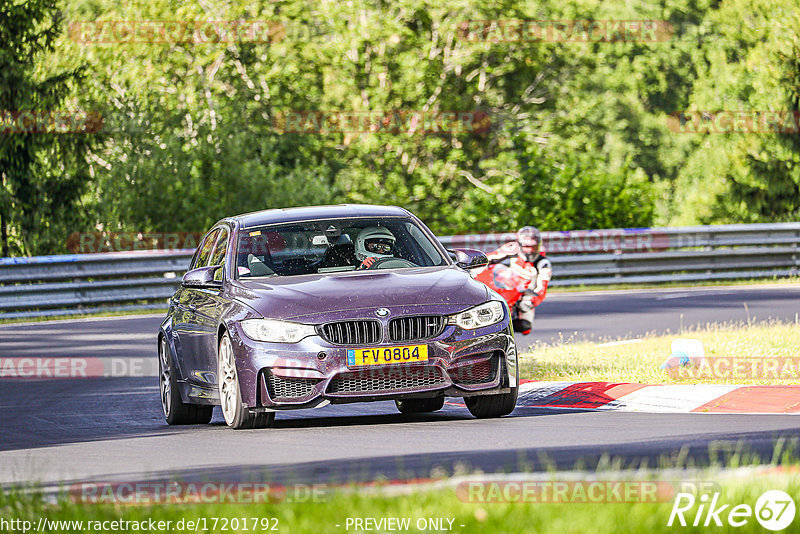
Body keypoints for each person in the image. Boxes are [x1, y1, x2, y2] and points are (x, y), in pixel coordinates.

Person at [473, 226, 552, 334]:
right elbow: (489, 258)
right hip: (508, 284)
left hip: (525, 293)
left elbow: (542, 288)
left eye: (533, 247)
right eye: (526, 247)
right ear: (520, 244)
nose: (529, 250)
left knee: (525, 326)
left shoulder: (543, 263)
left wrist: (531, 301)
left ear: (538, 245)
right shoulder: (512, 249)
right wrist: (477, 265)